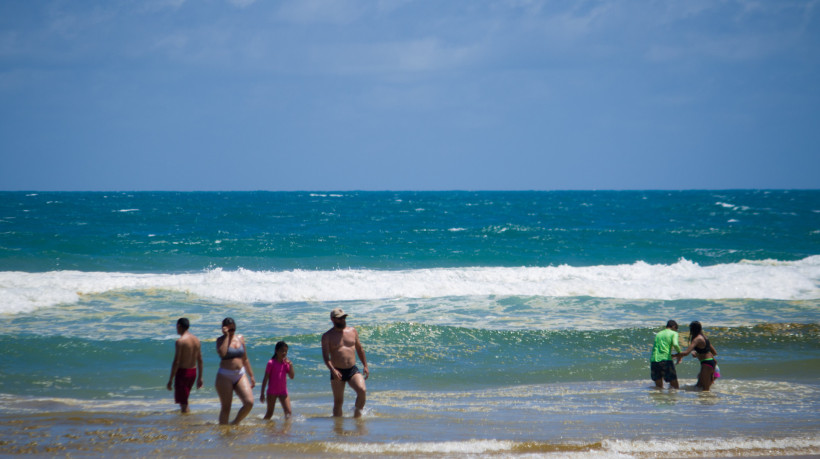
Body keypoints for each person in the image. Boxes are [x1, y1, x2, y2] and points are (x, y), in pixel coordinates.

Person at [321, 308, 369, 418]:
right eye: (340, 318)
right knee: (338, 402)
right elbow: (325, 356)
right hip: (337, 371)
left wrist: (365, 365)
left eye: (344, 318)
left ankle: (357, 417)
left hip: (352, 369)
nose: (343, 320)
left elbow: (360, 349)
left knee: (362, 390)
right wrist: (333, 370)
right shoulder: (327, 336)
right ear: (332, 319)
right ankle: (338, 429)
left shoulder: (352, 331)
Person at [215, 317, 256, 425]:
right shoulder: (220, 340)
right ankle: (223, 432)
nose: (232, 332)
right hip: (225, 375)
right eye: (229, 330)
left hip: (240, 374)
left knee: (249, 402)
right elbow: (222, 353)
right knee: (226, 408)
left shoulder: (240, 338)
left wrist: (251, 375)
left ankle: (235, 423)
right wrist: (227, 336)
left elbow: (245, 358)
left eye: (233, 329)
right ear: (224, 329)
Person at [167, 317, 203, 413]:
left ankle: (186, 424)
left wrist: (170, 379)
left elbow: (176, 362)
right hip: (193, 372)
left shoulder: (180, 341)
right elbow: (200, 360)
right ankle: (186, 421)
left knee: (183, 403)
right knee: (184, 400)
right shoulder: (196, 340)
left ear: (179, 326)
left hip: (183, 373)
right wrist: (200, 377)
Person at [674, 321, 718, 391]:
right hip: (710, 363)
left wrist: (673, 355)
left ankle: (708, 401)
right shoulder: (705, 338)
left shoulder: (697, 339)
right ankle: (702, 401)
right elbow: (714, 352)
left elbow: (686, 353)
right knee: (699, 386)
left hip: (706, 364)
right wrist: (699, 354)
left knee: (705, 389)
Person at [261, 341, 295, 419]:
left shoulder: (286, 363)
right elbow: (265, 379)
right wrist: (262, 393)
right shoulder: (271, 363)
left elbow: (292, 376)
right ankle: (264, 428)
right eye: (282, 351)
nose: (284, 353)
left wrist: (291, 365)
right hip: (272, 391)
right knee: (269, 414)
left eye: (286, 351)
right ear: (276, 351)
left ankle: (286, 429)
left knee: (288, 413)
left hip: (283, 391)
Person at [650, 320, 682, 389]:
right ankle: (673, 399)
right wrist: (680, 354)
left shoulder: (658, 334)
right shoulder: (673, 333)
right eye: (676, 329)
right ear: (673, 327)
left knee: (659, 388)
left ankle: (660, 399)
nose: (676, 331)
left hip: (654, 361)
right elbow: (676, 344)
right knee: (675, 387)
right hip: (665, 360)